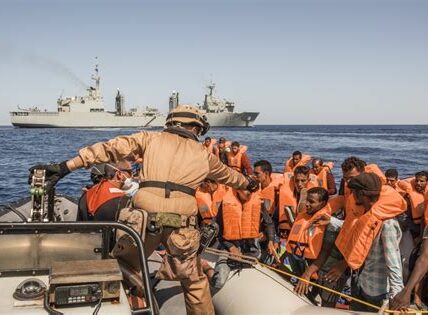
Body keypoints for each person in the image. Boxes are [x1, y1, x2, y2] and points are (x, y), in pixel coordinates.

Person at [29, 104, 258, 315]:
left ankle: (134, 297)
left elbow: (110, 149)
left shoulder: (149, 139)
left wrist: (65, 167)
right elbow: (231, 177)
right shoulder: (205, 155)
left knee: (122, 266)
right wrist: (250, 183)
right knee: (194, 282)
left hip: (144, 219)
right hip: (182, 225)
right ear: (195, 127)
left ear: (171, 123)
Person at [334, 172, 406, 312]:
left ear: (361, 194)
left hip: (376, 291)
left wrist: (397, 296)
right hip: (359, 283)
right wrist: (330, 221)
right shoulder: (365, 213)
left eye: (353, 192)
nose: (351, 195)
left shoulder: (387, 224)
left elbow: (394, 262)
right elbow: (353, 229)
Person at [290, 187, 346, 307]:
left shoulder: (330, 224)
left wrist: (307, 274)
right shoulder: (305, 217)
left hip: (330, 271)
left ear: (323, 203)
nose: (307, 205)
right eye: (307, 201)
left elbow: (325, 252)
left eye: (312, 202)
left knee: (327, 305)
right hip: (314, 268)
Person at [211, 185, 276, 289]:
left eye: (250, 189)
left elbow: (269, 224)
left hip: (251, 247)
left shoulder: (257, 201)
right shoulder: (226, 203)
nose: (248, 192)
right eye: (245, 189)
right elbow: (218, 230)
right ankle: (206, 268)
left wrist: (271, 240)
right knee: (219, 281)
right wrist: (231, 247)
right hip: (229, 246)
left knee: (274, 262)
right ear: (237, 189)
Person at [278, 166, 318, 236]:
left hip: (305, 233)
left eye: (303, 181)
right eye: (297, 180)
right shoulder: (286, 193)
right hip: (286, 233)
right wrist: (273, 239)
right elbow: (275, 218)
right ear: (293, 180)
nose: (299, 184)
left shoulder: (316, 198)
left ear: (308, 180)